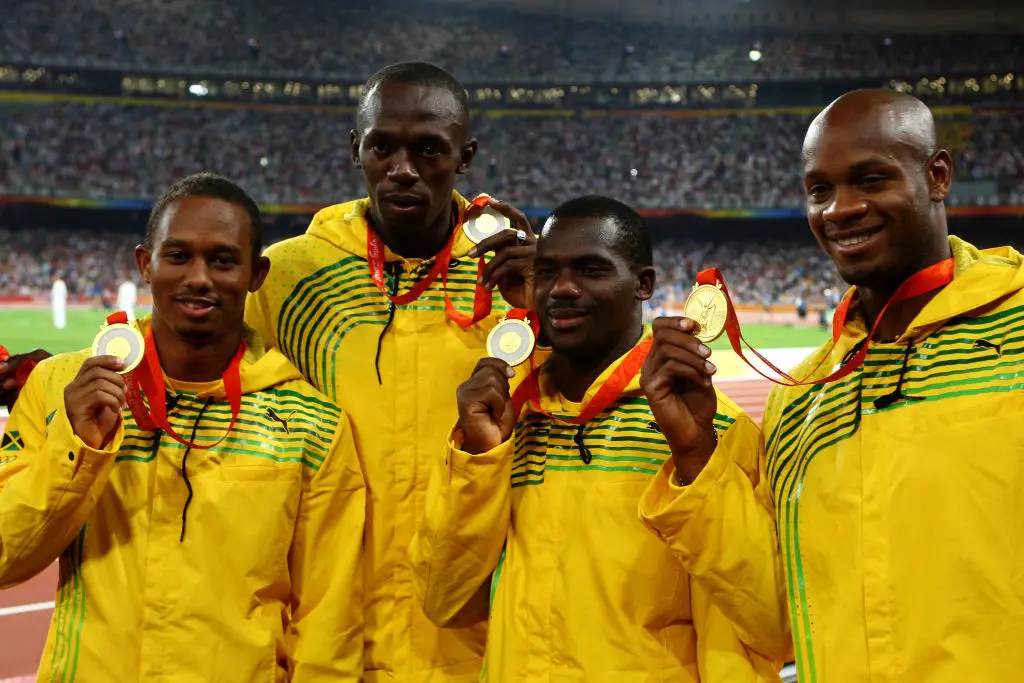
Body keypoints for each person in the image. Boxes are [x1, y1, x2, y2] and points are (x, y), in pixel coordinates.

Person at [638, 89, 1024, 682]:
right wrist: (695, 458)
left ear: (938, 175)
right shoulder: (801, 397)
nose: (841, 208)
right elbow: (781, 622)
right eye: (820, 189)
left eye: (871, 179)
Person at [0, 173, 367, 681]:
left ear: (256, 274)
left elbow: (330, 623)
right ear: (145, 264)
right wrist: (79, 447)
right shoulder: (58, 387)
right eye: (178, 256)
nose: (199, 277)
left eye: (222, 260)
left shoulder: (313, 424)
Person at [410, 196, 788, 682]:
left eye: (591, 269)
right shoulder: (510, 422)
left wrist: (695, 459)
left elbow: (770, 625)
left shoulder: (708, 429)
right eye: (547, 272)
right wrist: (480, 461)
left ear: (643, 285)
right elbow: (445, 602)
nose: (562, 289)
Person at [244, 61, 537, 683]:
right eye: (383, 146)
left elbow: (581, 412)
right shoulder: (289, 276)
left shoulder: (511, 278)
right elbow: (189, 365)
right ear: (358, 149)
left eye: (429, 149)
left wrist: (547, 304)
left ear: (465, 156)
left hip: (472, 640)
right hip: (328, 638)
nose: (403, 168)